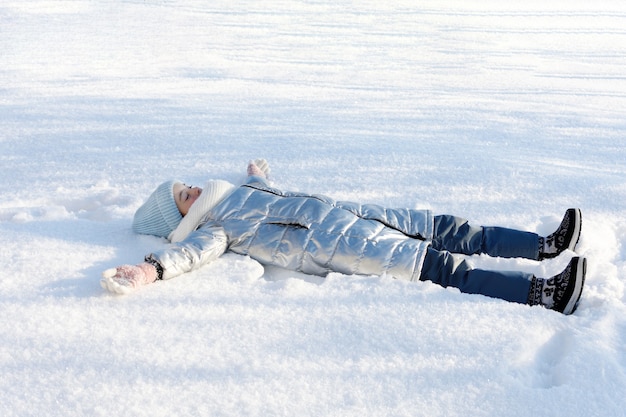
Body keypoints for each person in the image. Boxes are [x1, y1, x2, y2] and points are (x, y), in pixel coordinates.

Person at [101, 159, 586, 315]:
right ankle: (543, 293)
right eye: (184, 198)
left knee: (452, 229)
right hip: (347, 247)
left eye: (185, 185)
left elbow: (270, 190)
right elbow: (189, 255)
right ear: (182, 219)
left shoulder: (245, 189)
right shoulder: (216, 228)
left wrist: (256, 172)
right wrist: (150, 270)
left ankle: (541, 245)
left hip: (358, 215)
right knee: (443, 268)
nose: (192, 189)